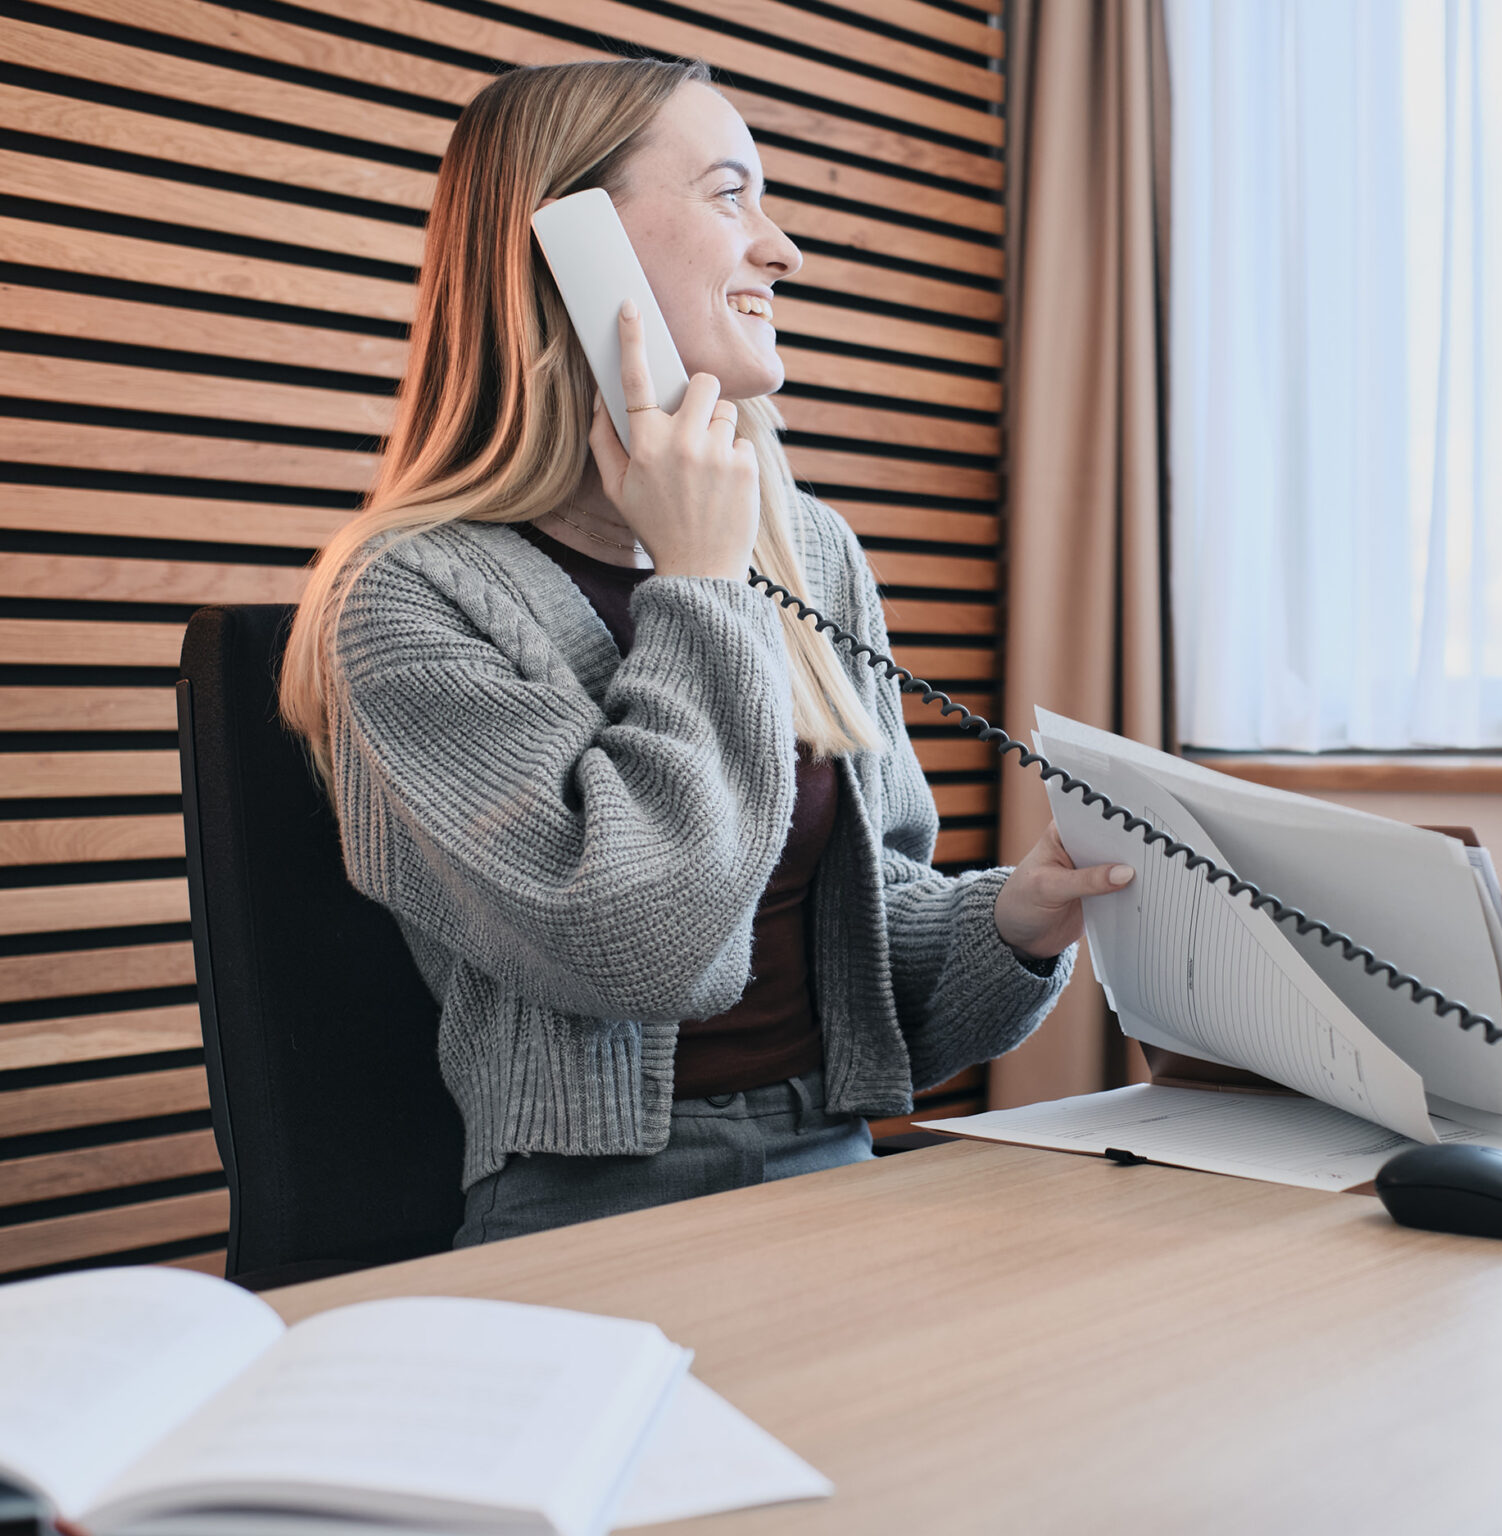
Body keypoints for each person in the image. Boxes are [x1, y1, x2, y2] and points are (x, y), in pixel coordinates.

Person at [279, 59, 1131, 1246]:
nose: (781, 250)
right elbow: (646, 949)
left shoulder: (806, 548)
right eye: (732, 194)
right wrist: (698, 588)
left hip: (838, 1164)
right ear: (575, 247)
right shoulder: (404, 598)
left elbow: (860, 962)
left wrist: (1014, 918)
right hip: (588, 1207)